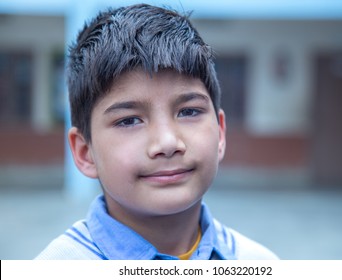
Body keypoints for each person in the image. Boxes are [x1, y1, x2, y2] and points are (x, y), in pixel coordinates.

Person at [35, 3, 278, 260]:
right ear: (86, 153)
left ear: (220, 133)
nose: (168, 142)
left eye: (189, 112)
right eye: (129, 121)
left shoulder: (259, 262)